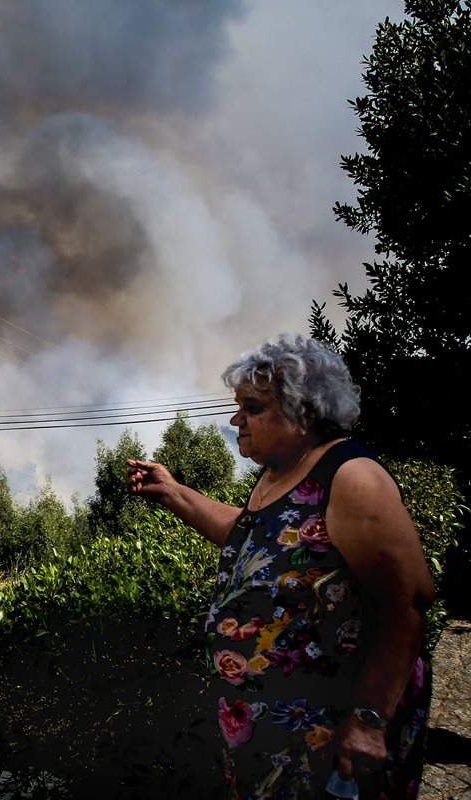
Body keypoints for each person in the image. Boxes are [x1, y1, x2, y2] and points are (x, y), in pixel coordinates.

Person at [127, 333, 434, 800]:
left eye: (251, 408)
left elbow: (407, 600)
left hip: (332, 734)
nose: (236, 420)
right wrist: (173, 492)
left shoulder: (350, 476)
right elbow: (255, 536)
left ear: (302, 411)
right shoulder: (280, 472)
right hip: (273, 730)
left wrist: (370, 720)